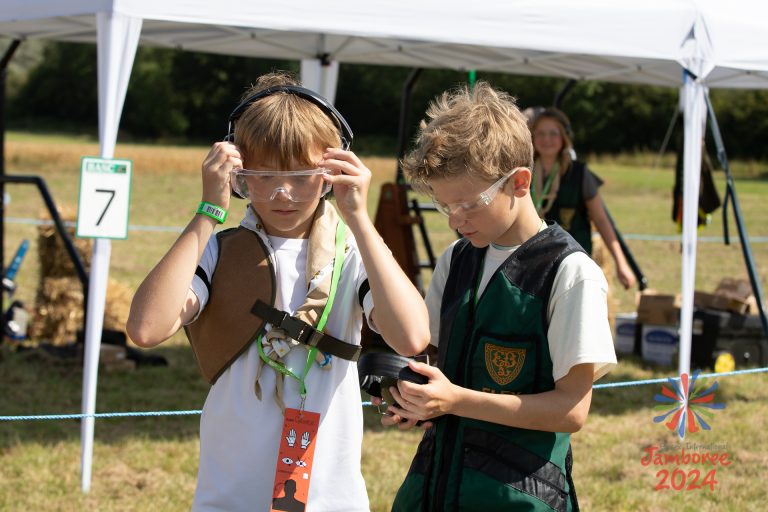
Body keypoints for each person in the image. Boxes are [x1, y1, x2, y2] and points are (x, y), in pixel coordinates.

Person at [126, 72, 429, 511]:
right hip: (231, 494)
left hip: (328, 495)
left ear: (332, 173)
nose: (283, 193)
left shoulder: (351, 251)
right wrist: (208, 211)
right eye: (263, 175)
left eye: (302, 175)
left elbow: (411, 336)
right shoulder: (218, 250)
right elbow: (146, 328)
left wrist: (360, 219)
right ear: (237, 174)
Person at [381, 82, 617, 511]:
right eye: (444, 205)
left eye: (468, 204)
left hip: (515, 498)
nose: (455, 220)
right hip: (434, 487)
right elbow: (435, 360)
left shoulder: (570, 273)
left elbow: (571, 410)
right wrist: (412, 397)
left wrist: (456, 400)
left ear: (519, 182)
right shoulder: (456, 258)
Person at [529, 108, 636, 289]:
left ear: (564, 138)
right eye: (541, 133)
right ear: (532, 137)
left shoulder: (579, 173)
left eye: (553, 133)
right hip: (533, 261)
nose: (547, 139)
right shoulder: (524, 172)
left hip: (571, 262)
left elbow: (601, 219)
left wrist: (621, 263)